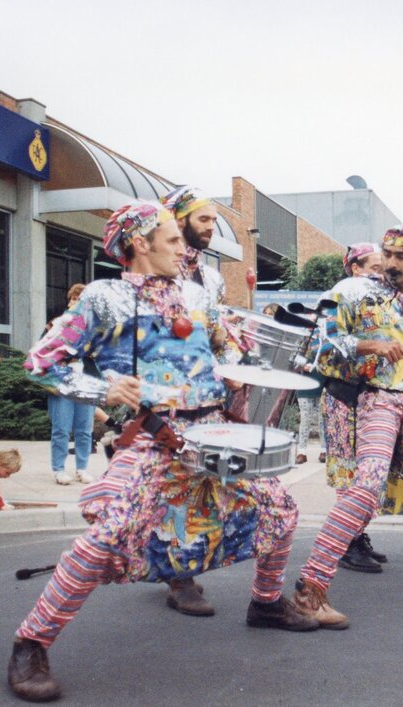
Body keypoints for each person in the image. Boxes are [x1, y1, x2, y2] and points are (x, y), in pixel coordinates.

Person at [8, 202, 312, 703]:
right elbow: (41, 362)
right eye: (172, 239)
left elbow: (227, 346)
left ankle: (266, 604)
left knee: (282, 511)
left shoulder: (196, 294)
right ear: (140, 243)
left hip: (215, 431)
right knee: (105, 541)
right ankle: (31, 641)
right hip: (157, 436)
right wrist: (101, 388)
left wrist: (241, 367)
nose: (183, 247)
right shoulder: (104, 298)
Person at [292, 219, 403, 629]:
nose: (389, 263)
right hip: (377, 400)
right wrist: (372, 345)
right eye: (386, 254)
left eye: (399, 257)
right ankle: (310, 589)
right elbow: (316, 342)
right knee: (367, 483)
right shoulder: (351, 291)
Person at [159, 185, 243, 617]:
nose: (211, 228)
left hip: (208, 396)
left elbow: (220, 333)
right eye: (204, 220)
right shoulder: (159, 271)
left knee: (212, 486)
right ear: (179, 220)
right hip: (169, 400)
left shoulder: (211, 277)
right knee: (179, 488)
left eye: (214, 220)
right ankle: (179, 576)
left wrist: (237, 367)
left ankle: (179, 564)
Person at [319, 242, 388, 572]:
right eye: (374, 268)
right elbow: (329, 339)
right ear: (355, 268)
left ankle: (356, 535)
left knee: (368, 473)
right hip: (344, 395)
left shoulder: (382, 299)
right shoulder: (340, 294)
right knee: (348, 472)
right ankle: (346, 543)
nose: (381, 274)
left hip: (372, 396)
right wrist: (375, 345)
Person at [43, 284, 96, 486]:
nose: (76, 303)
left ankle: (82, 468)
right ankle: (59, 469)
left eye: (81, 300)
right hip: (62, 383)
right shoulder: (55, 325)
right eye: (74, 299)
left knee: (84, 429)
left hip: (85, 383)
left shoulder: (93, 329)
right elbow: (42, 353)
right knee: (61, 428)